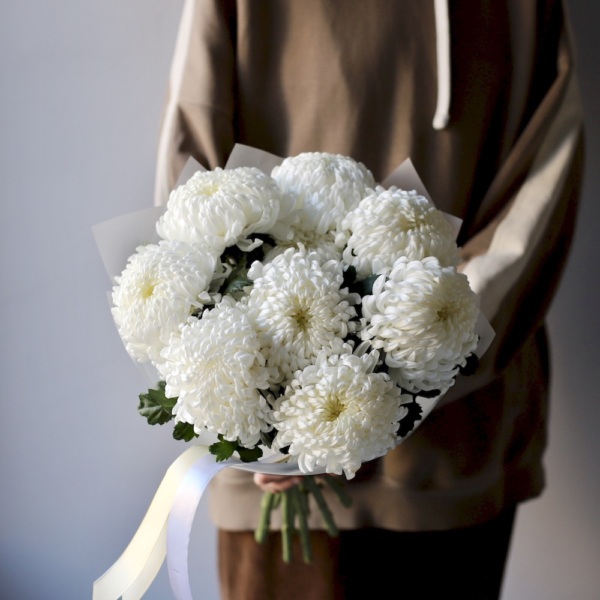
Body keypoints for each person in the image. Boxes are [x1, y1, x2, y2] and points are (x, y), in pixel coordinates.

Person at [154, 1, 584, 598]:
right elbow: (194, 178)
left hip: (459, 443)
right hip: (280, 469)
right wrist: (275, 411)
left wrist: (421, 361)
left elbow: (542, 184)